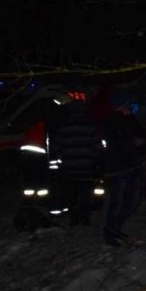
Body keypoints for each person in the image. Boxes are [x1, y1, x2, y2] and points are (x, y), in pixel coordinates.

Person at [48, 95, 102, 226]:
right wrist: (94, 159)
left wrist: (62, 158)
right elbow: (97, 146)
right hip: (86, 165)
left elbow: (56, 146)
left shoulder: (63, 127)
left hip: (69, 165)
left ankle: (74, 218)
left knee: (71, 192)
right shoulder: (91, 126)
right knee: (85, 192)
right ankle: (85, 218)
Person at [102, 98, 144, 246]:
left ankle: (116, 227)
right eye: (125, 102)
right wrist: (130, 141)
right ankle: (110, 232)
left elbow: (141, 136)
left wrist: (142, 141)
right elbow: (112, 142)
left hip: (133, 165)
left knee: (133, 200)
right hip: (117, 167)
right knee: (118, 200)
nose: (128, 106)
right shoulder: (111, 120)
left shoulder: (132, 119)